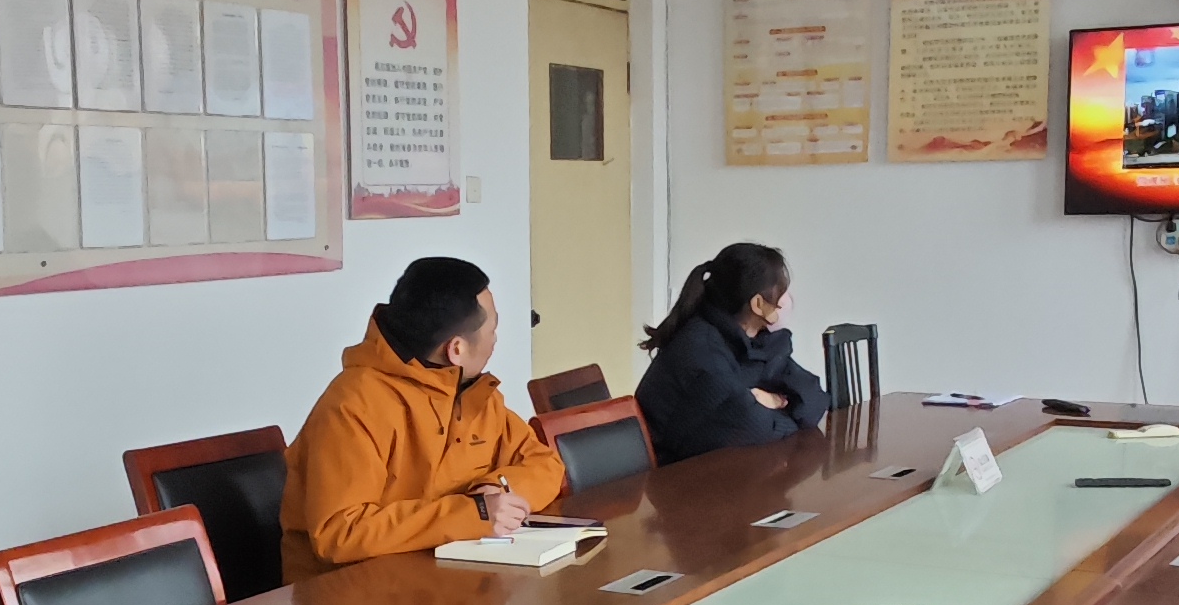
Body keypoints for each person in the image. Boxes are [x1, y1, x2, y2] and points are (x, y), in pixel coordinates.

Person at [285, 254, 566, 577]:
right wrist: (473, 513)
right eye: (493, 329)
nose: (495, 340)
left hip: (445, 578)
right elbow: (340, 532)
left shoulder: (473, 395)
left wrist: (495, 491)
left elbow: (545, 464)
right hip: (353, 591)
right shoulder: (353, 405)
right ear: (456, 349)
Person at [634, 241, 825, 459]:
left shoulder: (756, 341)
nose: (787, 300)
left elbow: (815, 397)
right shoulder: (702, 352)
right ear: (758, 304)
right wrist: (780, 407)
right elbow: (756, 429)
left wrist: (773, 401)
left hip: (719, 464)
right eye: (781, 292)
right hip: (673, 474)